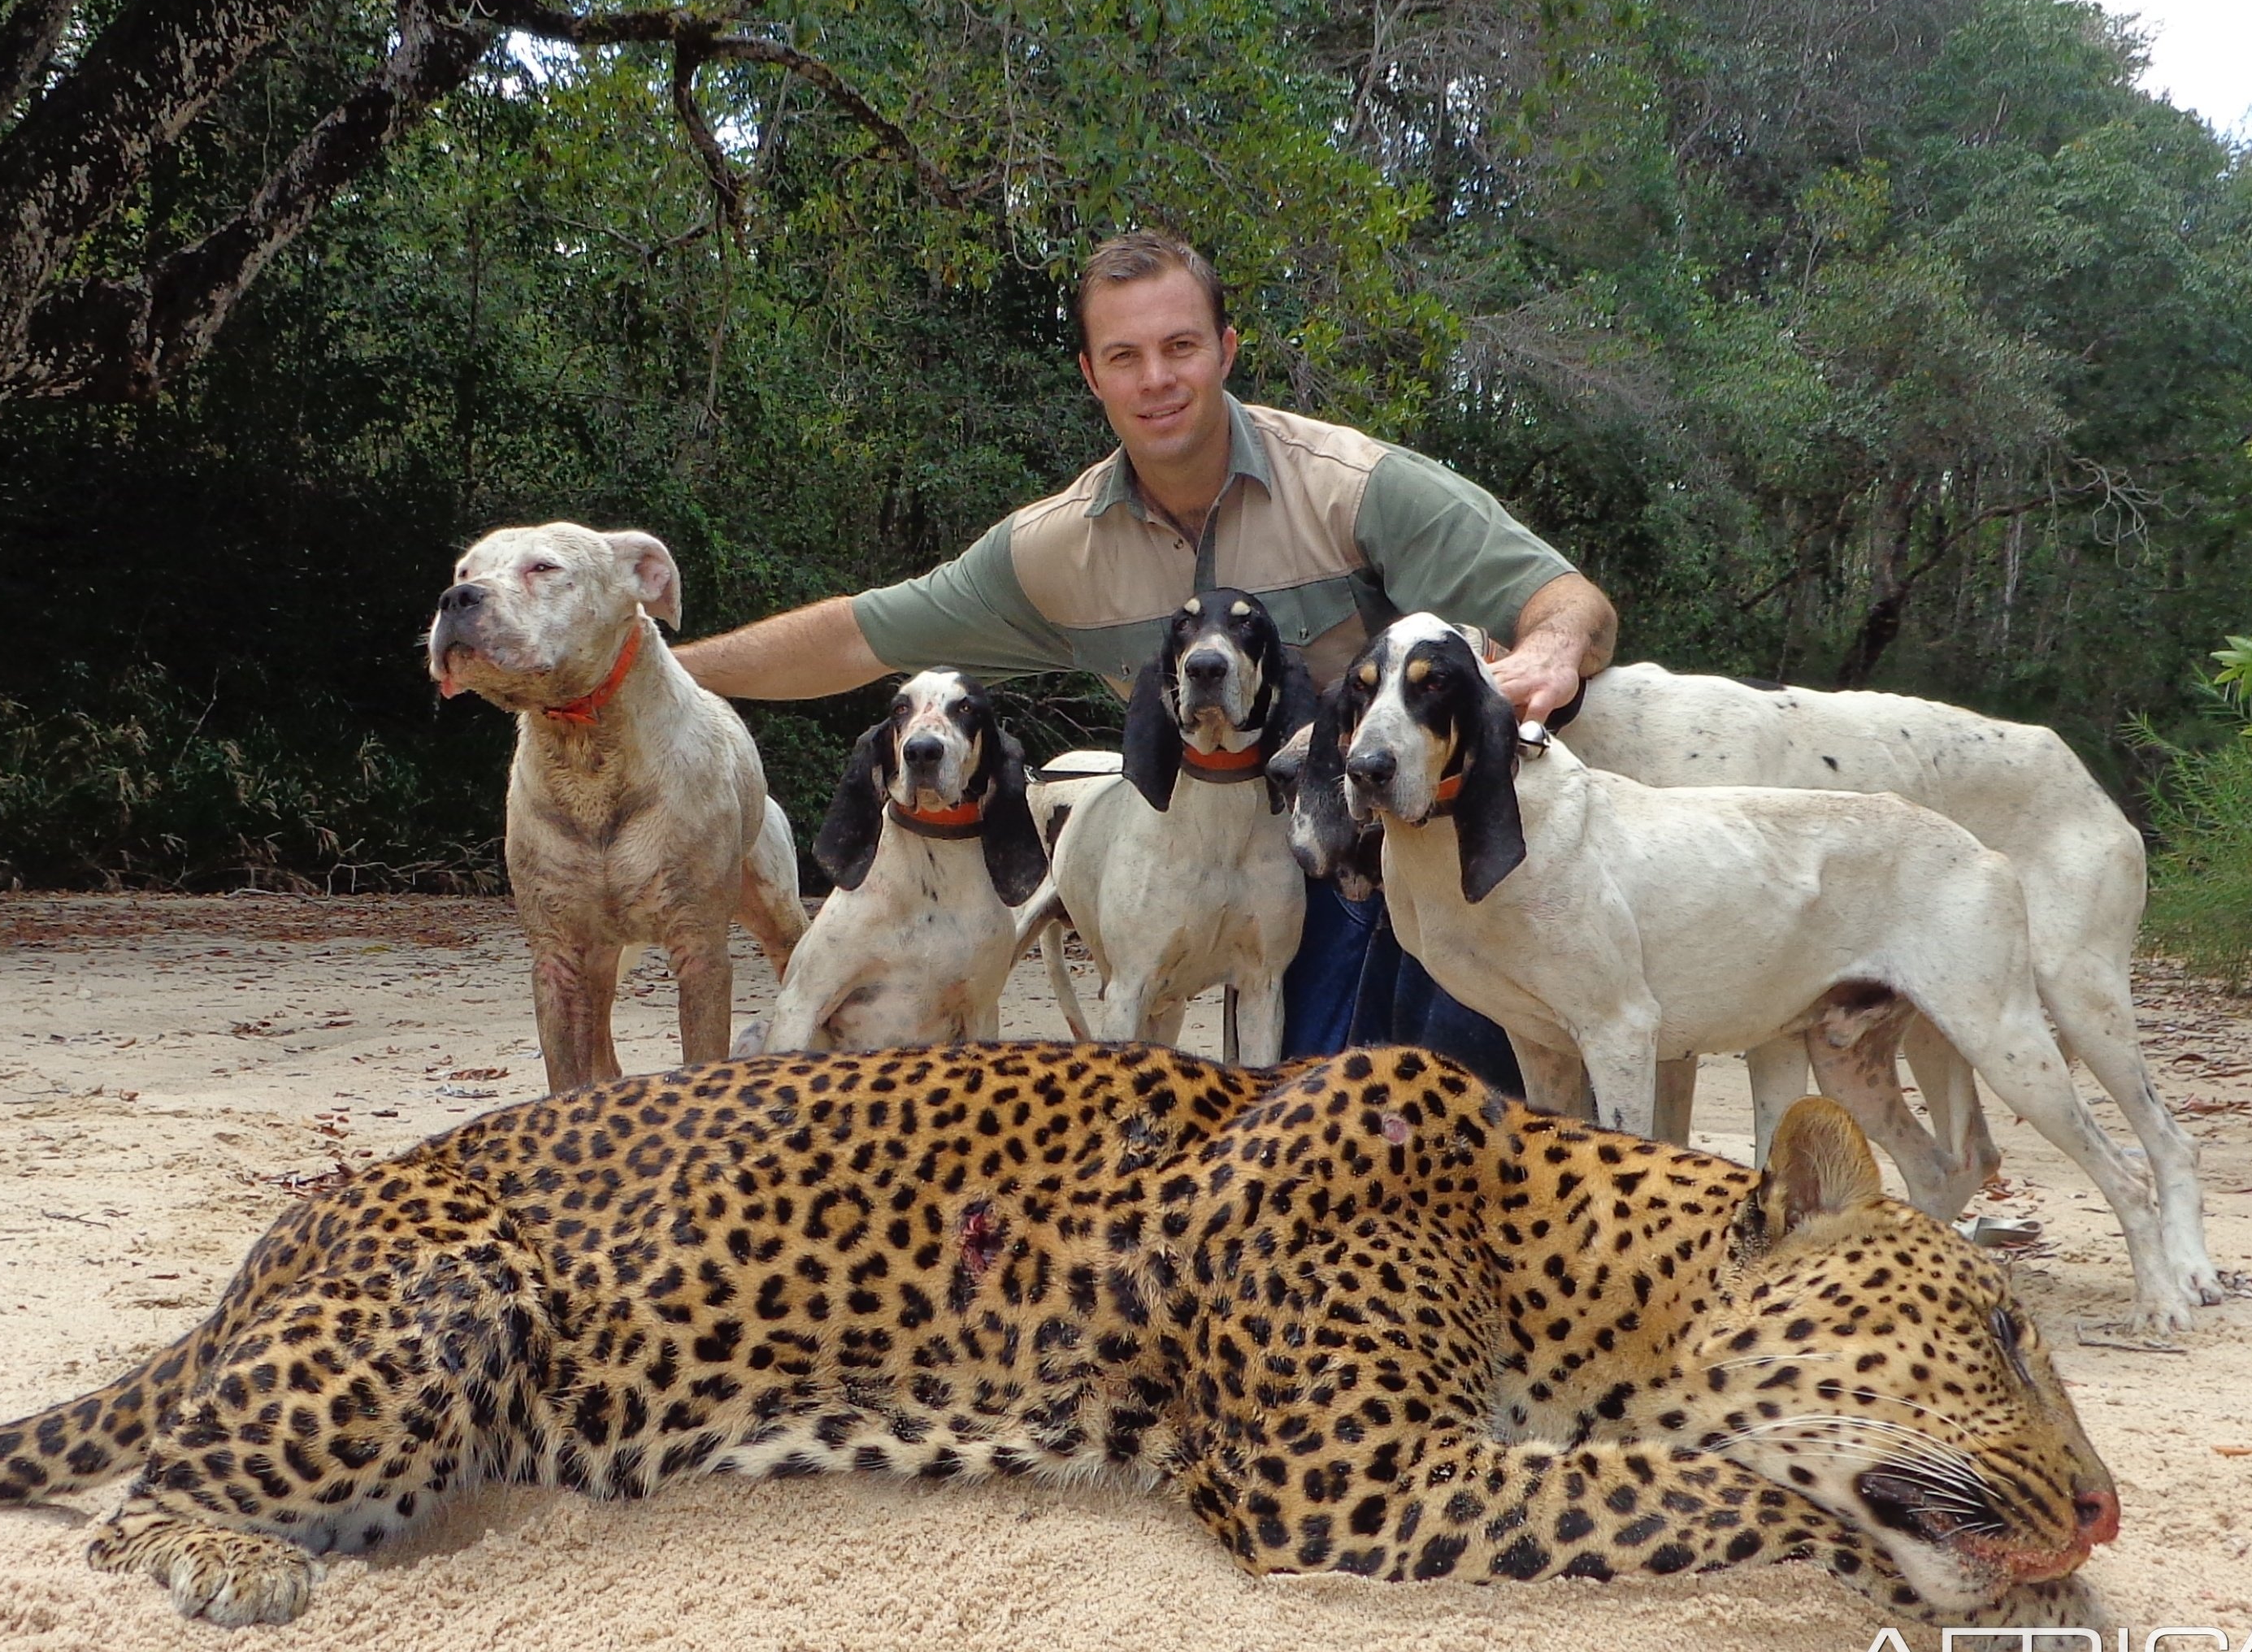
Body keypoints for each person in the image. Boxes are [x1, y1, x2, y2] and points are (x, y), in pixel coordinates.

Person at [675, 230, 1616, 1074]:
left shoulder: (1354, 488)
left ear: (1225, 352)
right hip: (1228, 842)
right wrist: (658, 674)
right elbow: (854, 636)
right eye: (1124, 356)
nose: (1156, 379)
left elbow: (1568, 600)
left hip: (1401, 835)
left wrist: (1553, 648)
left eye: (1179, 347)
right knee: (1307, 1117)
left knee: (1418, 1104)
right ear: (1091, 374)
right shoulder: (1052, 551)